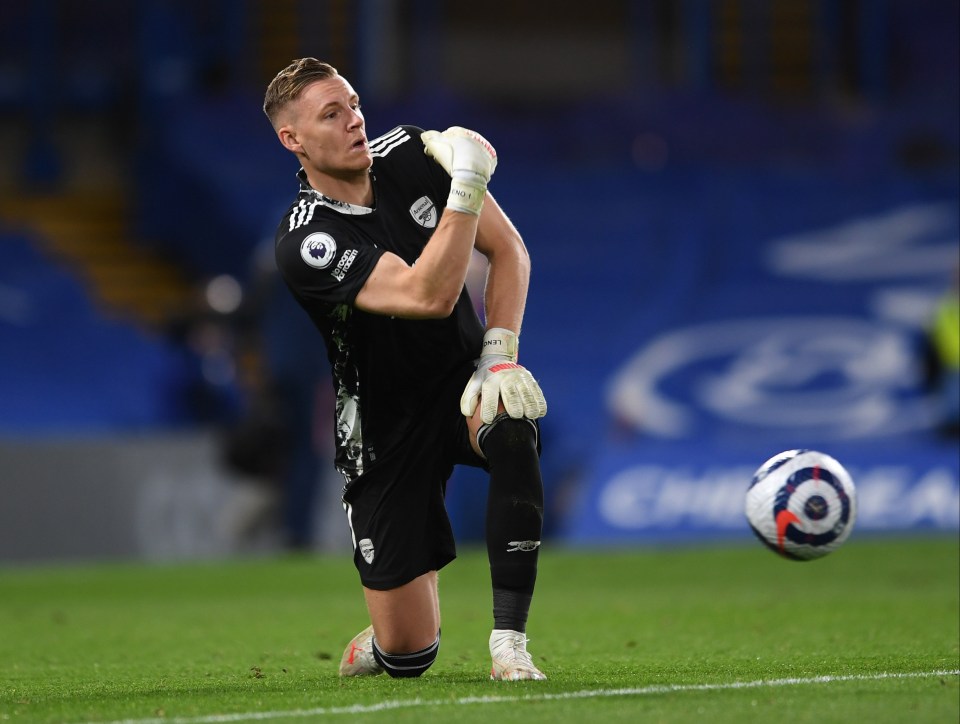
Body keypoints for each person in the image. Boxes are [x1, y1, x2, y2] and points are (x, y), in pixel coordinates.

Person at [262, 58, 549, 680]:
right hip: (380, 430)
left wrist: (499, 357)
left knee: (512, 422)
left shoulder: (412, 156)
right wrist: (467, 185)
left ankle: (510, 645)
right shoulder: (305, 241)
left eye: (355, 104)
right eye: (330, 115)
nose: (354, 121)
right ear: (294, 140)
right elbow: (427, 296)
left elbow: (509, 250)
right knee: (410, 656)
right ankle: (388, 637)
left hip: (458, 383)